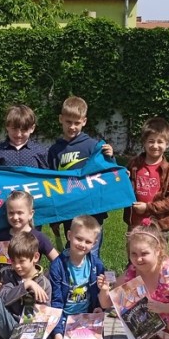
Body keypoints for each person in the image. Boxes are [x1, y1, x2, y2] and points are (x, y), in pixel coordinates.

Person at [47, 95, 114, 257]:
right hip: (69, 211)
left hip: (93, 211)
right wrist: (54, 217)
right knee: (73, 251)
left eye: (77, 123)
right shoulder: (54, 150)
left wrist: (110, 157)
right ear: (61, 119)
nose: (72, 127)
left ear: (84, 121)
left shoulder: (93, 147)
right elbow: (51, 183)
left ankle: (93, 274)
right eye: (68, 122)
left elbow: (110, 173)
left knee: (92, 252)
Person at [50, 215, 108, 339]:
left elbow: (101, 298)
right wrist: (57, 331)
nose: (82, 244)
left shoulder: (97, 265)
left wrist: (100, 308)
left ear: (94, 243)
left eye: (88, 242)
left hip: (88, 318)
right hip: (66, 318)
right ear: (69, 235)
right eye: (79, 239)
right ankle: (65, 334)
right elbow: (56, 301)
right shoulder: (58, 266)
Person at [123, 117, 169, 244]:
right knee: (135, 254)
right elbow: (123, 188)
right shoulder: (133, 165)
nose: (155, 146)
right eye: (151, 141)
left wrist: (148, 207)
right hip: (135, 223)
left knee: (159, 255)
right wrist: (123, 178)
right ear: (144, 142)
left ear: (167, 144)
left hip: (159, 226)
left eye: (160, 142)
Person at [0, 190, 60, 268]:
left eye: (20, 213)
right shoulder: (1, 237)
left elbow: (59, 262)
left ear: (30, 214)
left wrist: (47, 275)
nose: (15, 217)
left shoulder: (39, 237)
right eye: (11, 213)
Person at [0, 104, 49, 168]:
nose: (18, 134)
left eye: (24, 130)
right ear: (7, 126)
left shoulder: (40, 152)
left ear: (32, 128)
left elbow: (45, 173)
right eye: (14, 129)